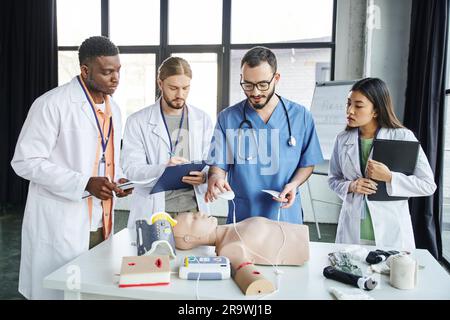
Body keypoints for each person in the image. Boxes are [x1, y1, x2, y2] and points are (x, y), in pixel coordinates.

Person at [11, 36, 132, 299]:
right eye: (107, 72)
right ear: (85, 70)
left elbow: (107, 157)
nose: (115, 78)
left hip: (102, 221)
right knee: (61, 290)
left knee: (92, 291)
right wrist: (83, 183)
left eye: (118, 70)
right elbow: (25, 161)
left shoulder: (115, 109)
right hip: (62, 222)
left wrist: (119, 179)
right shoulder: (52, 104)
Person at [205, 46, 324, 224]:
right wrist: (216, 178)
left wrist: (294, 184)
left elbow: (307, 163)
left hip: (285, 215)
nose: (255, 92)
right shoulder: (227, 118)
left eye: (262, 84)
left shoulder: (301, 116)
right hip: (245, 216)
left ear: (276, 78)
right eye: (248, 85)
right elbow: (218, 166)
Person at [328, 77, 436, 251]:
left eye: (358, 105)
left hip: (391, 231)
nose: (350, 110)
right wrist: (352, 185)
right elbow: (333, 179)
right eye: (348, 104)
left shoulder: (402, 137)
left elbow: (428, 185)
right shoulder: (342, 139)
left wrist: (389, 177)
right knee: (350, 274)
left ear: (376, 110)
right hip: (353, 229)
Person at [121, 57, 213, 228]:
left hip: (193, 211)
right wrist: (163, 169)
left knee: (194, 255)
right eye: (173, 88)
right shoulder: (137, 121)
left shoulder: (202, 119)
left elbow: (211, 162)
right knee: (155, 255)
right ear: (160, 83)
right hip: (156, 212)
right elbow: (132, 170)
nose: (180, 95)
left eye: (186, 88)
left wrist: (205, 176)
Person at [172, 211, 309, 294]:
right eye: (193, 219)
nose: (199, 213)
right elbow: (255, 282)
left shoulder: (230, 229)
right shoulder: (229, 249)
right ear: (189, 238)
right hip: (303, 257)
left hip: (302, 239)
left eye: (193, 214)